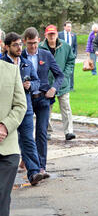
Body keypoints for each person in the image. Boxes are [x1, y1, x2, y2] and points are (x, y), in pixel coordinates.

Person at [1, 32, 44, 186]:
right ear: (6, 47)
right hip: (6, 111)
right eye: (15, 45)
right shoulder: (2, 64)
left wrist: (30, 85)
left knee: (27, 139)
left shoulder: (26, 64)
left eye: (20, 44)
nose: (19, 47)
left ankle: (34, 173)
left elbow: (37, 82)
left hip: (25, 108)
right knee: (5, 142)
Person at [22, 27, 65, 178]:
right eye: (29, 43)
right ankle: (27, 160)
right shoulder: (20, 57)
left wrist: (54, 88)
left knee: (41, 132)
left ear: (39, 41)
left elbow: (60, 75)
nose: (32, 46)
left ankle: (41, 167)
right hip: (25, 100)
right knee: (25, 134)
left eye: (34, 43)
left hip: (43, 98)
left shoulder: (45, 55)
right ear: (24, 42)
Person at [0, 59, 27, 216]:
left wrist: (5, 127)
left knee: (1, 201)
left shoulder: (11, 70)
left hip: (5, 149)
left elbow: (21, 105)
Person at [39, 25, 76, 141]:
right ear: (45, 35)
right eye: (49, 34)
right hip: (47, 84)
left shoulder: (65, 46)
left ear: (56, 34)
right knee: (46, 108)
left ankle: (69, 131)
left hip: (63, 83)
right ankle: (47, 131)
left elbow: (71, 61)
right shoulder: (40, 48)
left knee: (66, 107)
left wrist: (65, 75)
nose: (51, 36)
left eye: (53, 34)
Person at [58, 21, 77, 90]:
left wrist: (75, 55)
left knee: (71, 71)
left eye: (70, 27)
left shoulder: (73, 35)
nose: (69, 28)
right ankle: (61, 85)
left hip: (71, 56)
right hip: (62, 55)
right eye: (68, 26)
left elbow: (75, 46)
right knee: (62, 70)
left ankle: (71, 87)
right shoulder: (59, 35)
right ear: (64, 27)